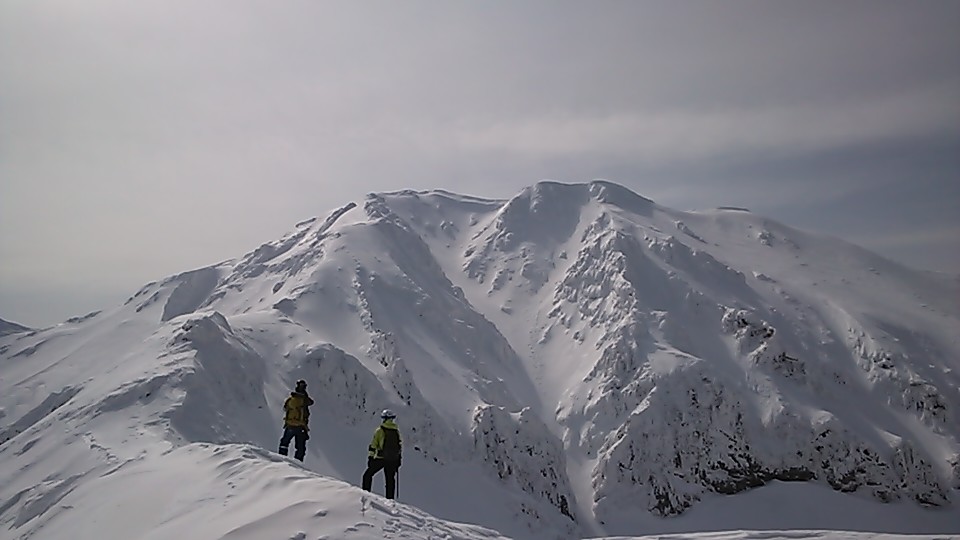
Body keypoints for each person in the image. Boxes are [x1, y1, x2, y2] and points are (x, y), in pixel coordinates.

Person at [362, 409, 403, 499]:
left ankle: (365, 493)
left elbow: (373, 445)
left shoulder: (380, 430)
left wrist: (371, 457)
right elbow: (399, 446)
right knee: (390, 480)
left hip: (381, 458)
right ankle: (390, 499)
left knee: (368, 475)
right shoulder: (396, 431)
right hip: (393, 460)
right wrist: (398, 460)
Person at [278, 379, 314, 461]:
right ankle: (298, 463)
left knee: (284, 443)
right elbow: (311, 402)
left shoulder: (291, 399)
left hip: (290, 425)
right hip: (301, 426)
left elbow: (285, 408)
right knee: (300, 447)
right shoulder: (304, 399)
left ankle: (281, 459)